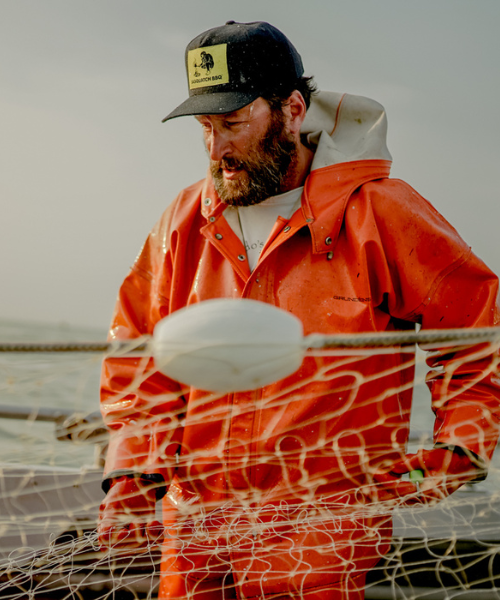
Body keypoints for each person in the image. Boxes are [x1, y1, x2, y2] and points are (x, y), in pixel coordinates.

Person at [98, 21, 500, 600]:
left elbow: (476, 336)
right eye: (205, 128)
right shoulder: (184, 219)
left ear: (291, 109)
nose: (217, 149)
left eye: (233, 123)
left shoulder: (381, 212)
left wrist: (452, 455)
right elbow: (140, 353)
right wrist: (133, 473)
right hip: (194, 525)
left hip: (322, 528)